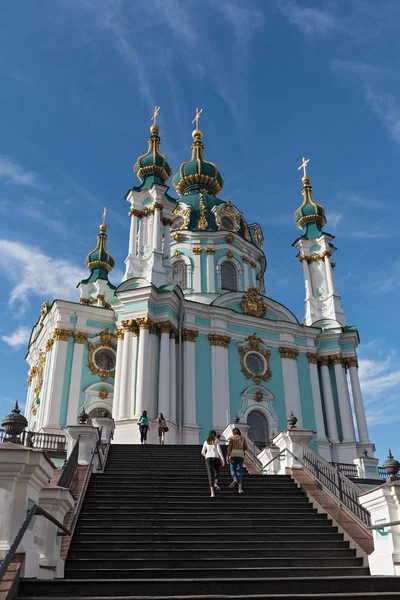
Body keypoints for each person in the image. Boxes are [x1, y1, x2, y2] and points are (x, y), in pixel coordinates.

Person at [201, 430, 224, 498]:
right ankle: (215, 483)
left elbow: (202, 452)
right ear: (214, 435)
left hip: (208, 459)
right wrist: (222, 459)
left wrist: (206, 457)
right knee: (217, 472)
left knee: (210, 474)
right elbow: (219, 451)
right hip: (216, 458)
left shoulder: (206, 442)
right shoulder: (216, 441)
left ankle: (212, 493)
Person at [226, 427, 247, 494]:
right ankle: (240, 489)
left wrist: (227, 455)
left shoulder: (231, 438)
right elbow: (246, 447)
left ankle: (234, 479)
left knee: (232, 468)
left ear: (233, 432)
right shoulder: (242, 438)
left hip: (233, 453)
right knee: (239, 471)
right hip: (240, 454)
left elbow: (229, 447)